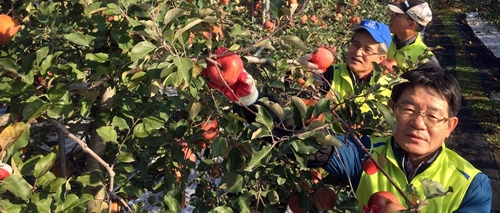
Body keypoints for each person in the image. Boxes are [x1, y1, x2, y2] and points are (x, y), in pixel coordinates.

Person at [204, 62, 493, 212]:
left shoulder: (471, 184)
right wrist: (250, 99)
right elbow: (308, 139)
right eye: (408, 108)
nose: (418, 123)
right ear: (393, 111)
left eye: (432, 115)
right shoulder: (367, 152)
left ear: (450, 125)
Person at [298, 19, 393, 105]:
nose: (358, 52)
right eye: (356, 44)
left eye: (367, 50)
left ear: (381, 58)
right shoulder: (329, 73)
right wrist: (300, 70)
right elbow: (300, 87)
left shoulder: (387, 89)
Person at [387, 0, 439, 68]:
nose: (391, 16)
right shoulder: (381, 40)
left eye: (397, 14)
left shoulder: (425, 60)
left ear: (411, 25)